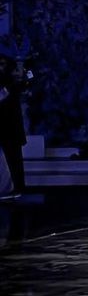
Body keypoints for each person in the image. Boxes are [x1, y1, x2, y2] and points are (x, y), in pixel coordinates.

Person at [0, 53, 27, 195]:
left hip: (11, 126)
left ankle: (18, 187)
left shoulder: (13, 81)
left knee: (15, 159)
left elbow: (29, 79)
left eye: (3, 64)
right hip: (3, 125)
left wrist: (25, 68)